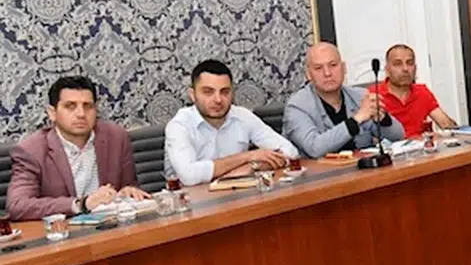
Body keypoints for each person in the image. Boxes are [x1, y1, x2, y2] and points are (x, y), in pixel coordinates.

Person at [8, 76, 149, 220]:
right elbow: (17, 206)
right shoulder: (31, 151)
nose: (81, 114)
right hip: (64, 230)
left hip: (112, 225)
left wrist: (127, 192)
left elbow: (129, 186)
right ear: (52, 113)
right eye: (70, 106)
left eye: (88, 106)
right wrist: (82, 204)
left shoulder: (116, 137)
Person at [165, 59, 299, 186]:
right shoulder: (179, 125)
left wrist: (252, 166)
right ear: (192, 95)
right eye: (208, 92)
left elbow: (290, 152)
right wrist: (248, 156)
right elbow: (189, 176)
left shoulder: (243, 116)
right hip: (194, 199)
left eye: (225, 92)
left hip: (238, 195)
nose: (218, 100)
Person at [284, 42, 406, 158]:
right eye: (318, 68)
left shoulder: (360, 96)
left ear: (343, 68)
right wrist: (357, 119)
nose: (327, 73)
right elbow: (314, 148)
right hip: (322, 172)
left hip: (362, 168)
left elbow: (398, 136)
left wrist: (383, 119)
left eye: (333, 65)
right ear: (308, 74)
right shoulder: (297, 107)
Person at [370, 43, 458, 137]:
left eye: (410, 63)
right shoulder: (373, 94)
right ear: (387, 70)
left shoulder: (422, 92)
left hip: (422, 145)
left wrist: (442, 134)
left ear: (415, 69)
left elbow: (447, 124)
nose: (405, 69)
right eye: (398, 64)